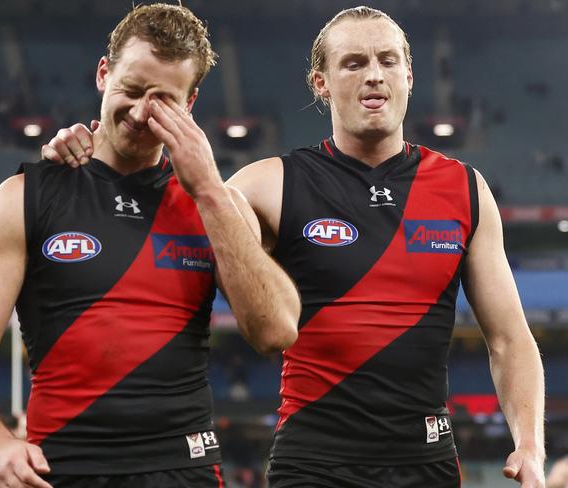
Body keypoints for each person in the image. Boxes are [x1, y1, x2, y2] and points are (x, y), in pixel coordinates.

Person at [43, 5, 546, 488]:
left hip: (427, 462)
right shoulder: (265, 186)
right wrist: (86, 160)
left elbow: (509, 338)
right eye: (353, 63)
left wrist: (529, 443)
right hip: (313, 463)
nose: (373, 74)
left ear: (409, 76)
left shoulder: (465, 189)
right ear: (320, 83)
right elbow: (141, 231)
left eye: (387, 60)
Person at [0, 4, 300, 488]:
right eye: (130, 89)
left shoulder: (217, 204)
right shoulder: (25, 197)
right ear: (103, 73)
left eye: (163, 100)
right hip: (61, 469)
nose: (140, 111)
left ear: (190, 103)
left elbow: (276, 330)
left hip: (183, 469)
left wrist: (210, 190)